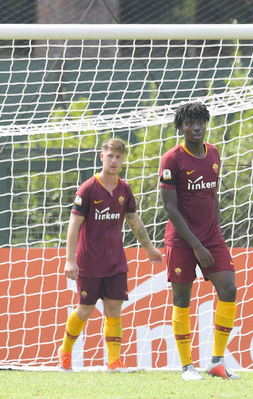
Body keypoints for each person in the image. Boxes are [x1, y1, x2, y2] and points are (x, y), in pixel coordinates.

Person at [58, 138, 163, 371]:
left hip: (115, 262)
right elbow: (73, 225)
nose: (114, 160)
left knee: (114, 310)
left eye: (118, 157)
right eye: (110, 156)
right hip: (89, 262)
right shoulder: (87, 189)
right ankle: (65, 351)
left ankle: (114, 361)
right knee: (84, 309)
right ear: (101, 157)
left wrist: (149, 248)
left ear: (122, 160)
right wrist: (69, 260)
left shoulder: (125, 189)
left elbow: (133, 220)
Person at [159, 101, 239, 380]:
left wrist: (214, 232)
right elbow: (170, 208)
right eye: (190, 122)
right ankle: (187, 367)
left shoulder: (214, 153)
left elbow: (212, 196)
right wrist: (196, 244)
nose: (196, 127)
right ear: (180, 127)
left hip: (210, 236)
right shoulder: (172, 159)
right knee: (182, 299)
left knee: (229, 289)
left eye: (200, 121)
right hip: (182, 240)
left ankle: (216, 361)